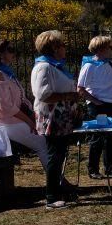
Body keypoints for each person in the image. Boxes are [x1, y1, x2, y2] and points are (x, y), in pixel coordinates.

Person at [31, 30, 82, 210]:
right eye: (62, 45)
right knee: (55, 155)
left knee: (59, 155)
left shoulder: (56, 66)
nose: (65, 48)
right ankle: (51, 197)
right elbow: (43, 94)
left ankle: (56, 190)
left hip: (61, 117)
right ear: (54, 48)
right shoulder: (44, 67)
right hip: (52, 118)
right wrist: (69, 95)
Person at [0, 39, 49, 172]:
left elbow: (20, 99)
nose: (14, 53)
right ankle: (57, 183)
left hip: (14, 119)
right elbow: (6, 108)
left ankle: (57, 181)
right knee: (43, 144)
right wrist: (29, 121)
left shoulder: (6, 72)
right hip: (6, 122)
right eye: (11, 50)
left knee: (46, 140)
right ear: (0, 54)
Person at [77, 36, 112, 179]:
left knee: (110, 137)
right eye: (109, 47)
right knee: (97, 138)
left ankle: (109, 168)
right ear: (101, 49)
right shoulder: (90, 65)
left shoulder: (110, 64)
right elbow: (80, 89)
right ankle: (93, 169)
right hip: (99, 106)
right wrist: (95, 102)